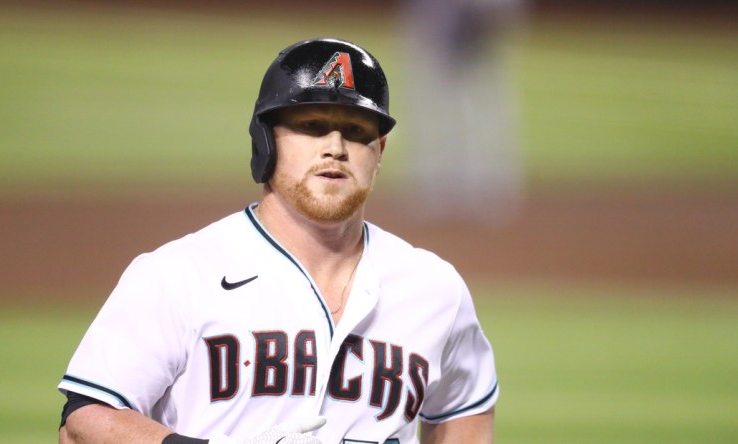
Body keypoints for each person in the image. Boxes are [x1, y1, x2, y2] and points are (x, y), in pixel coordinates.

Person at [57, 37, 498, 444]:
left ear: (379, 152)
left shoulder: (434, 288)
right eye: (311, 125)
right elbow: (84, 421)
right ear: (266, 141)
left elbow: (465, 407)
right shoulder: (179, 274)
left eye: (357, 131)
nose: (336, 147)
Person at [400, 0, 527, 224]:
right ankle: (438, 187)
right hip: (434, 32)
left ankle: (488, 189)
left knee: (481, 112)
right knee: (432, 112)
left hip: (478, 38)